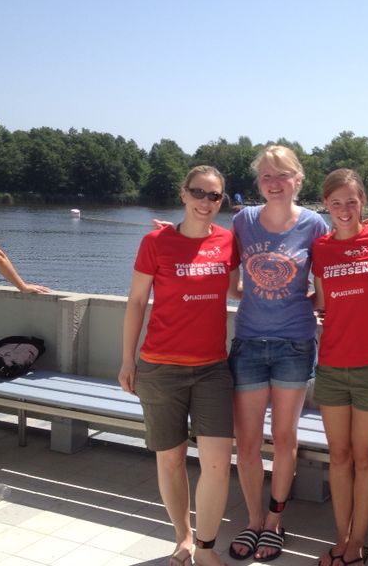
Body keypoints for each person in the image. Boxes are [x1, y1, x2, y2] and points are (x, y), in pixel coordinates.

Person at [119, 165, 238, 566]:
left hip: (212, 369)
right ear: (184, 194)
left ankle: (205, 548)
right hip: (159, 367)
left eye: (215, 196)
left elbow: (244, 283)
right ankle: (183, 538)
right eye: (199, 193)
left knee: (218, 463)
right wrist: (126, 360)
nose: (207, 202)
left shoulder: (229, 241)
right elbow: (136, 302)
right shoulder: (155, 242)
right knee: (170, 459)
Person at [227, 145, 329, 562]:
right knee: (247, 441)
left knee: (284, 438)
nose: (273, 182)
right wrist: (169, 233)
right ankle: (253, 521)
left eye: (281, 174)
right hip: (249, 342)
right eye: (266, 176)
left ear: (297, 179)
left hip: (294, 344)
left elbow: (323, 290)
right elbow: (228, 278)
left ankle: (275, 520)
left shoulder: (315, 225)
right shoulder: (242, 221)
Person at [311, 169, 368, 566]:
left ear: (363, 202)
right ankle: (341, 537)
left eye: (352, 201)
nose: (344, 210)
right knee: (339, 457)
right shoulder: (321, 249)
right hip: (330, 364)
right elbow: (323, 302)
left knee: (365, 459)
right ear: (325, 204)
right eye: (336, 202)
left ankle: (358, 543)